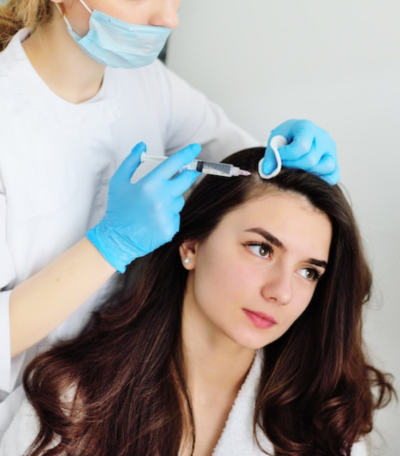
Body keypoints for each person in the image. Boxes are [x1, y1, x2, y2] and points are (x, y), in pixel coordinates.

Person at [0, 0, 340, 434]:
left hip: (118, 398)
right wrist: (108, 246)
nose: (169, 15)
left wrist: (291, 158)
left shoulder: (145, 83)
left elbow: (247, 169)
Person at [0, 146, 395, 456]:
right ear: (191, 246)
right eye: (261, 249)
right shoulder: (73, 401)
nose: (282, 291)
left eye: (309, 272)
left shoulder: (322, 424)